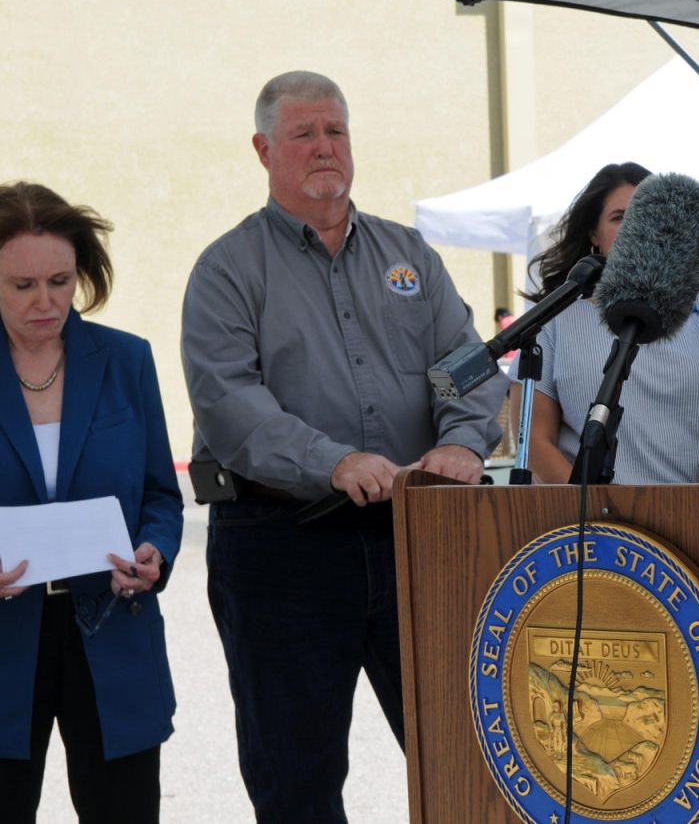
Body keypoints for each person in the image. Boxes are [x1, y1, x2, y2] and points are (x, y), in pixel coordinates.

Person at [180, 72, 505, 823]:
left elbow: (466, 366)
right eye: (304, 134)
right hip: (281, 545)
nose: (325, 147)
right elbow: (231, 405)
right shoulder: (226, 270)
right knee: (297, 778)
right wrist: (331, 460)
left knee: (465, 751)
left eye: (336, 131)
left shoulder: (409, 256)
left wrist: (462, 441)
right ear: (264, 150)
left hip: (415, 536)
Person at [0, 182, 183, 824]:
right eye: (22, 286)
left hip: (113, 635)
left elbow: (162, 493)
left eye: (59, 280)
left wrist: (155, 549)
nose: (45, 301)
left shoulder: (128, 361)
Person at [513, 162, 699, 484]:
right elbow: (531, 440)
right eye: (619, 218)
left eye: (645, 217)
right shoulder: (554, 322)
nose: (633, 229)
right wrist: (597, 511)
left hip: (695, 519)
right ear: (593, 234)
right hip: (587, 524)